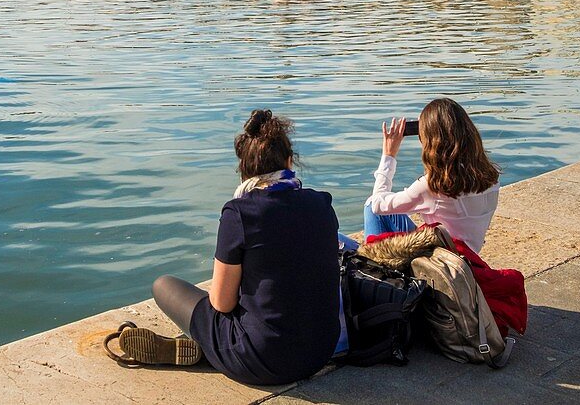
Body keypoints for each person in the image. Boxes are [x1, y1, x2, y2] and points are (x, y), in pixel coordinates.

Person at [113, 110, 341, 385]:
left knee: (164, 285)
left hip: (263, 360)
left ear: (243, 169)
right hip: (319, 352)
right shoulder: (321, 204)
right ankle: (210, 351)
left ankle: (208, 350)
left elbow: (221, 303)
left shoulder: (240, 212)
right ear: (290, 161)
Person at [365, 98, 501, 253]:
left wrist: (389, 155)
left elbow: (376, 205)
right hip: (466, 259)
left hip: (438, 263)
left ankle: (372, 269)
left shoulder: (432, 187)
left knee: (370, 208)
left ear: (430, 140)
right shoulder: (490, 177)